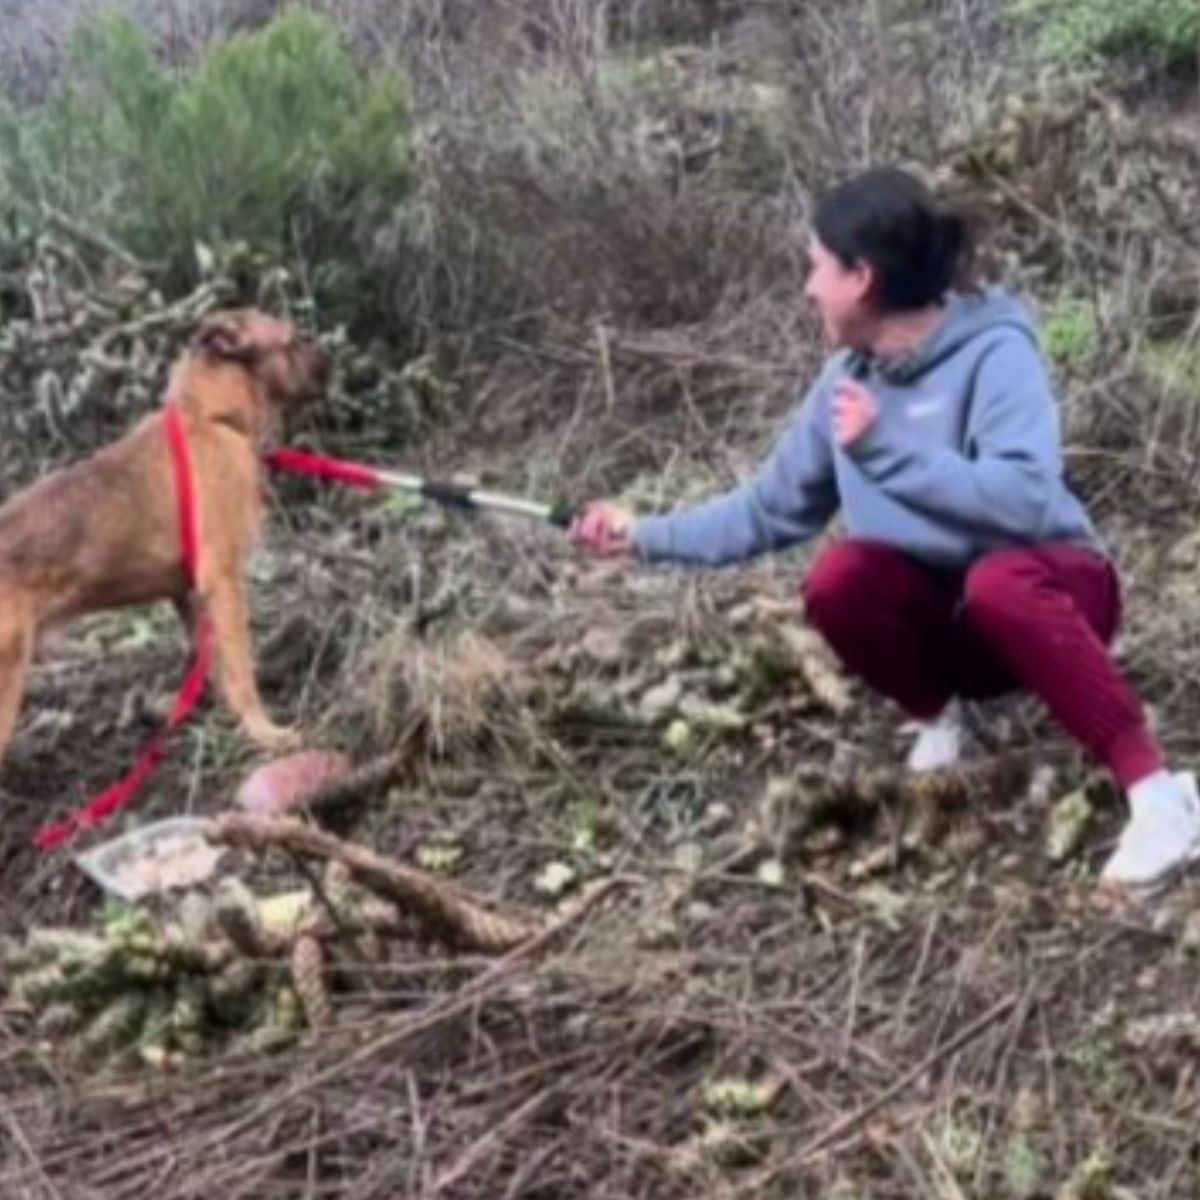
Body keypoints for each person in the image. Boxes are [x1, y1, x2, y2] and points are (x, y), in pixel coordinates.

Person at [570, 165, 1200, 897]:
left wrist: (885, 452)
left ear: (861, 278)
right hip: (960, 627)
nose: (807, 288)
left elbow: (1024, 500)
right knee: (839, 579)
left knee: (999, 581)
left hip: (1057, 593)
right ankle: (943, 719)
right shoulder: (846, 381)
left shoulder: (997, 353)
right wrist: (643, 533)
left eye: (816, 268)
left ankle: (1160, 797)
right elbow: (767, 510)